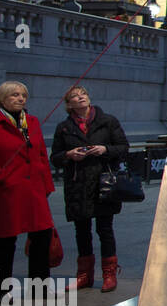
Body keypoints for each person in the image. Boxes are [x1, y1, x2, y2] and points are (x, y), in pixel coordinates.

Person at [50, 86, 130, 291]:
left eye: (83, 94)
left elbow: (123, 147)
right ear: (69, 105)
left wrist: (105, 149)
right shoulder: (64, 127)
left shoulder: (108, 121)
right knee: (81, 231)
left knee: (105, 229)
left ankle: (109, 274)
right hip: (77, 184)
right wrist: (69, 154)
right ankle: (84, 275)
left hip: (103, 182)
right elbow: (55, 157)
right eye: (75, 96)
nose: (80, 97)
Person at [0, 81, 55, 286]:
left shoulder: (32, 122)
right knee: (6, 241)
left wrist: (47, 185)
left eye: (23, 95)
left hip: (35, 190)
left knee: (42, 236)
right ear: (2, 99)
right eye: (14, 95)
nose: (20, 98)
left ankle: (39, 288)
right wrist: (0, 176)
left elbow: (41, 155)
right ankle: (2, 290)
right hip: (6, 192)